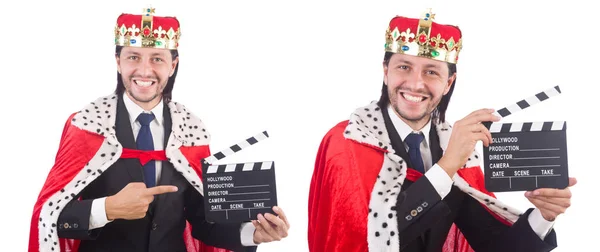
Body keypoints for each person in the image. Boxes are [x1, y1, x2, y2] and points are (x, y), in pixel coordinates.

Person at [308, 8, 575, 252]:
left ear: (448, 83)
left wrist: (544, 215)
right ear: (385, 71)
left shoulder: (455, 148)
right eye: (404, 67)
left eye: (431, 72)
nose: (415, 84)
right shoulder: (346, 144)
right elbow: (365, 241)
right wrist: (446, 166)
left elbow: (494, 245)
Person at [29, 7, 289, 252]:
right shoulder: (88, 125)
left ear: (172, 65)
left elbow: (202, 218)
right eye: (133, 57)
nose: (144, 70)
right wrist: (106, 209)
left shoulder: (191, 132)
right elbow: (51, 214)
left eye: (157, 58)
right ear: (118, 61)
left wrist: (252, 234)